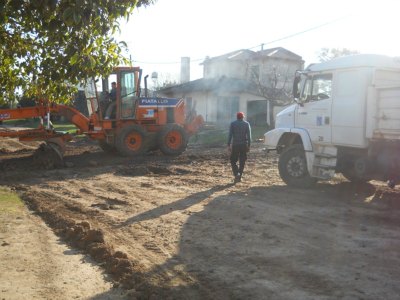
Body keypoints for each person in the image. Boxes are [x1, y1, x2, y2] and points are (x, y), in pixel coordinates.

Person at [227, 112, 252, 183]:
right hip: (243, 145)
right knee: (242, 161)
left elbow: (230, 135)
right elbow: (249, 136)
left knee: (233, 161)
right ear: (243, 117)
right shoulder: (246, 124)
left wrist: (228, 145)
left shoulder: (233, 124)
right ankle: (239, 175)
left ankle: (236, 174)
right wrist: (249, 145)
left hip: (235, 145)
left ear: (237, 117)